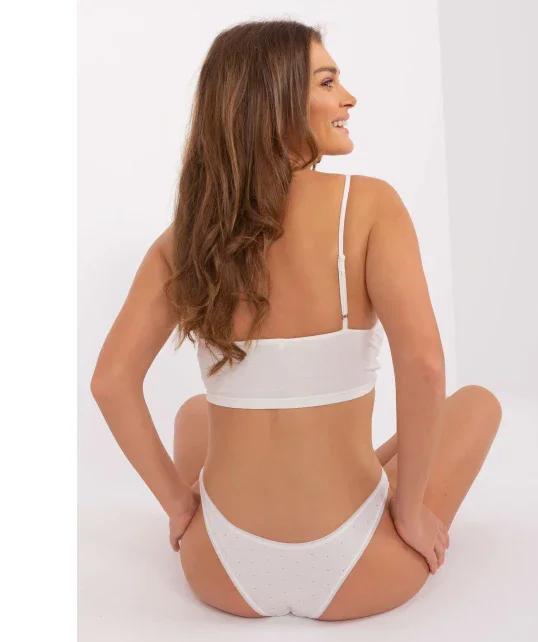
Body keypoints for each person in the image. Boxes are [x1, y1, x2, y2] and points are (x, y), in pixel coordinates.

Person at [91, 18, 502, 621]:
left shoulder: (188, 239)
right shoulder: (369, 205)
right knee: (477, 404)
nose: (348, 98)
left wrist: (179, 507)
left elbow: (110, 382)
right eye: (328, 83)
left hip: (221, 568)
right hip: (361, 565)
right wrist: (410, 513)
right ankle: (371, 475)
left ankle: (361, 464)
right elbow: (424, 365)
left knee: (196, 412)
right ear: (275, 102)